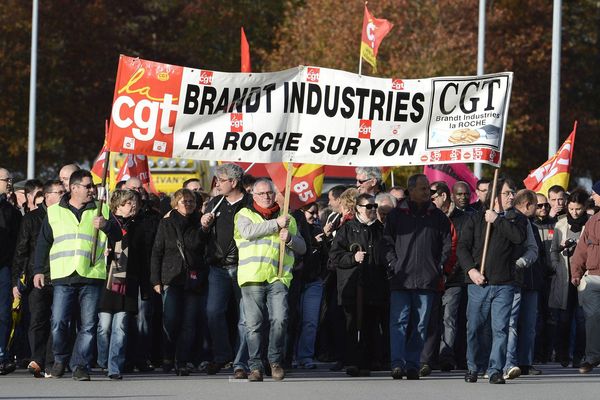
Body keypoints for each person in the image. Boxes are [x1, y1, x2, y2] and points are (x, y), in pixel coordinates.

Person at [33, 169, 122, 381]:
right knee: (58, 322)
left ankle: (81, 365)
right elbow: (43, 243)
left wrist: (106, 225)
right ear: (74, 188)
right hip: (64, 275)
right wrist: (38, 270)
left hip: (91, 275)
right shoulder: (54, 212)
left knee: (88, 325)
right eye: (87, 186)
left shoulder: (102, 210)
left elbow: (118, 235)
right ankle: (61, 358)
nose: (92, 190)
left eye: (92, 186)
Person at [233, 178, 306, 382]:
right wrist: (276, 225)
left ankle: (275, 362)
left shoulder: (286, 217)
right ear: (253, 196)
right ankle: (255, 366)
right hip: (252, 277)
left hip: (278, 277)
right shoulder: (244, 214)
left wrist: (290, 239)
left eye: (269, 193)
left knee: (280, 319)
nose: (266, 196)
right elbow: (247, 233)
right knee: (254, 325)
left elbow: (302, 247)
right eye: (261, 193)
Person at [458, 177, 528, 384]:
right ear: (495, 195)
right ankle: (472, 366)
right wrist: (471, 271)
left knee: (500, 328)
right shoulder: (474, 219)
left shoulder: (516, 219)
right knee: (475, 328)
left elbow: (518, 238)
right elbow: (462, 247)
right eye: (507, 193)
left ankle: (495, 368)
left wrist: (497, 219)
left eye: (513, 192)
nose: (511, 196)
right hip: (479, 283)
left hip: (504, 284)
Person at [384, 174, 451, 380]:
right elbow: (387, 243)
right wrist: (394, 265)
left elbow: (447, 245)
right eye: (423, 189)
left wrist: (438, 266)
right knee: (398, 323)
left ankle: (413, 364)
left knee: (420, 324)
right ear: (411, 190)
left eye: (428, 190)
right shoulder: (396, 215)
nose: (427, 193)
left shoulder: (438, 217)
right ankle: (397, 363)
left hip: (426, 279)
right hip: (401, 279)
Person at [200, 163, 251, 378]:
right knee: (213, 313)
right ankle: (222, 355)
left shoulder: (250, 204)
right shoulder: (214, 202)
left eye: (221, 180)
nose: (217, 184)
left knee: (245, 318)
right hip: (218, 268)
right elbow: (200, 238)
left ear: (234, 182)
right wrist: (203, 225)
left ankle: (241, 362)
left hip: (245, 267)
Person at [329, 194, 388, 377]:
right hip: (352, 285)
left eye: (374, 206)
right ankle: (352, 361)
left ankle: (370, 360)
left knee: (371, 324)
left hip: (374, 285)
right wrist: (352, 258)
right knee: (352, 324)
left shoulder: (381, 229)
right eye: (368, 206)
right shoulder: (347, 229)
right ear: (358, 209)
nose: (372, 209)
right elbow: (335, 256)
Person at [151, 188, 207, 376]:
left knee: (189, 322)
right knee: (171, 320)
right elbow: (157, 252)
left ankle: (182, 360)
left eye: (191, 201)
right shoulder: (166, 223)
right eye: (184, 201)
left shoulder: (201, 221)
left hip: (193, 279)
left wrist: (204, 229)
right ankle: (167, 357)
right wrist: (156, 280)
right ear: (176, 203)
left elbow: (200, 245)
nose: (188, 204)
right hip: (171, 277)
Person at [12, 180, 64, 377]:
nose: (62, 195)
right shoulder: (32, 218)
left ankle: (51, 362)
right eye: (58, 192)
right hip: (37, 276)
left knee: (57, 321)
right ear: (47, 195)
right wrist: (17, 279)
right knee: (37, 319)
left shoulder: (65, 216)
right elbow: (21, 250)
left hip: (60, 274)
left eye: (63, 191)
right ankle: (37, 359)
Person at [97, 189, 141, 380]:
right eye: (128, 203)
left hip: (128, 281)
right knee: (104, 327)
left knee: (121, 327)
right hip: (106, 280)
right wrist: (103, 252)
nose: (132, 206)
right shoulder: (105, 223)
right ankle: (101, 361)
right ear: (117, 206)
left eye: (134, 202)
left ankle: (114, 366)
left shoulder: (139, 225)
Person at [123, 176, 161, 372]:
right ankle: (124, 358)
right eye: (132, 189)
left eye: (139, 189)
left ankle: (141, 357)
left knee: (144, 317)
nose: (136, 192)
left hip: (145, 275)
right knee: (124, 317)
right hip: (122, 274)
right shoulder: (117, 218)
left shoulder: (152, 217)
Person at [549, 188, 589, 368]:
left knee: (582, 321)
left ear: (584, 207)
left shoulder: (591, 224)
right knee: (563, 320)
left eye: (578, 209)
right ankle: (563, 354)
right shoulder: (560, 224)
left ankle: (579, 356)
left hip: (584, 278)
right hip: (564, 278)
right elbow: (553, 251)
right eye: (571, 209)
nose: (574, 212)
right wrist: (557, 266)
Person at [502, 190, 540, 380]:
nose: (538, 208)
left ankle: (521, 362)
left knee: (526, 325)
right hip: (507, 280)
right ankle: (502, 362)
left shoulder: (528, 224)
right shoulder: (503, 219)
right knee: (509, 323)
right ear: (527, 205)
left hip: (529, 281)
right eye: (535, 205)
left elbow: (534, 251)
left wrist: (520, 263)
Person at [293, 202, 328, 369]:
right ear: (301, 212)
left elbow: (326, 258)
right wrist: (312, 243)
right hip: (294, 280)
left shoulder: (318, 230)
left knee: (310, 321)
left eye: (316, 213)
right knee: (291, 320)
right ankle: (289, 355)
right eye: (311, 213)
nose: (314, 217)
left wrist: (323, 243)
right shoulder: (293, 229)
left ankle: (305, 356)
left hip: (314, 281)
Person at [571, 181, 600, 373]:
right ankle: (592, 358)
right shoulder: (592, 221)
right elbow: (581, 250)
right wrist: (576, 273)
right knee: (592, 319)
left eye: (595, 193)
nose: (592, 196)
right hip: (592, 278)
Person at [0, 167, 22, 375]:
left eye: (10, 179)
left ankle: (1, 354)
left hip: (4, 268)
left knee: (4, 314)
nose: (9, 183)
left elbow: (18, 244)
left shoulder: (12, 212)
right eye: (6, 179)